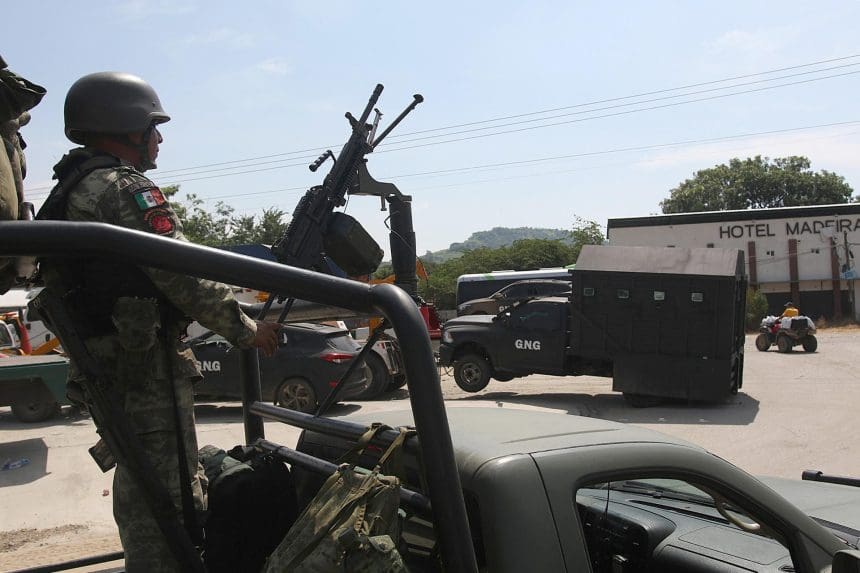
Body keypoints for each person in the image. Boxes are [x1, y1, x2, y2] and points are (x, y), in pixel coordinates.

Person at [37, 71, 280, 572]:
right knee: (168, 497)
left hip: (112, 366)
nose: (160, 139)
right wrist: (247, 329)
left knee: (144, 484)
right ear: (125, 126)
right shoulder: (121, 188)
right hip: (142, 371)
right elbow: (183, 272)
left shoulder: (73, 187)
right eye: (153, 127)